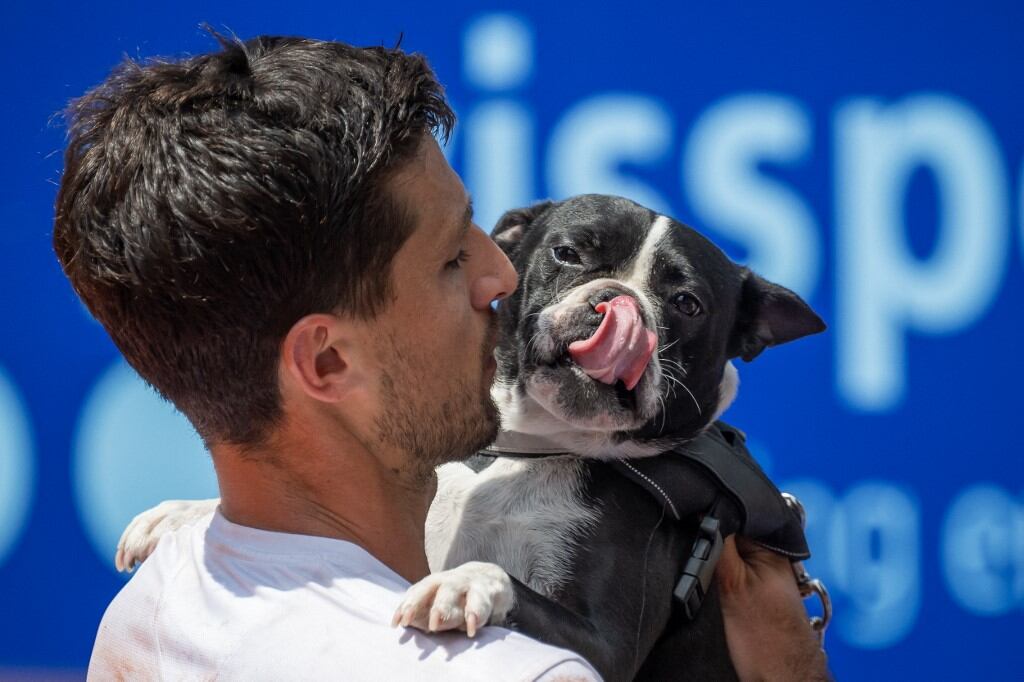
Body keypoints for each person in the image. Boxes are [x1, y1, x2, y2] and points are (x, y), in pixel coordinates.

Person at [54, 33, 829, 680]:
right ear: (325, 365)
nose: (502, 278)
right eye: (453, 260)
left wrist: (223, 527)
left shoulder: (155, 606)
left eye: (487, 238)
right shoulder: (520, 671)